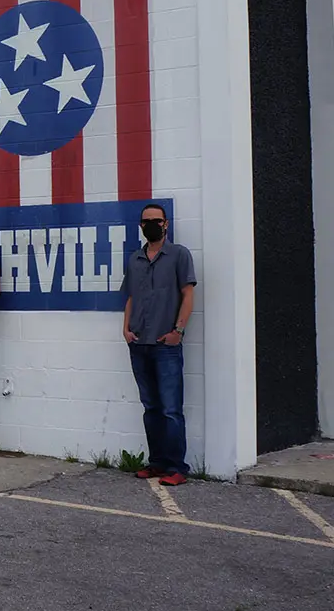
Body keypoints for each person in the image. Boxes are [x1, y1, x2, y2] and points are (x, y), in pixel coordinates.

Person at [122, 203, 196, 486]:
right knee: (150, 407)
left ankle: (177, 467)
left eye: (157, 220)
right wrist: (126, 328)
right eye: (146, 221)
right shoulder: (135, 259)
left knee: (170, 409)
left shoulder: (179, 255)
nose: (151, 224)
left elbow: (187, 295)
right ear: (140, 225)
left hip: (166, 344)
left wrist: (178, 330)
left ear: (166, 224)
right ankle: (157, 463)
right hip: (139, 344)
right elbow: (130, 297)